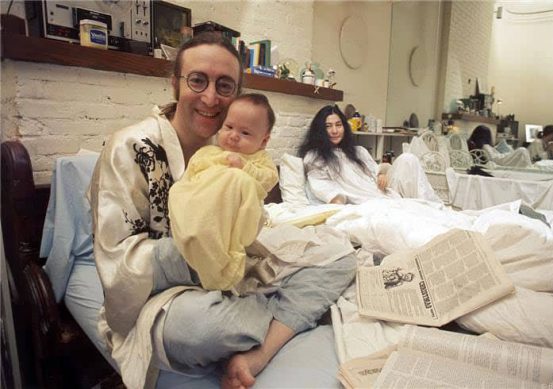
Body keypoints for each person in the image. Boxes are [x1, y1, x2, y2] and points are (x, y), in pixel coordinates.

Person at [89, 32, 356, 389]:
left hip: (235, 271)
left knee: (340, 255)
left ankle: (259, 351)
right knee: (201, 329)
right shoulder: (131, 148)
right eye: (197, 80)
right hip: (167, 297)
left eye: (225, 86)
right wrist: (201, 246)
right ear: (175, 84)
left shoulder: (235, 147)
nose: (211, 97)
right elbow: (117, 265)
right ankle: (291, 313)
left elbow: (250, 223)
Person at [168, 93, 277, 293]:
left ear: (263, 140)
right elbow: (190, 179)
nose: (234, 135)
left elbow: (268, 179)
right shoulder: (208, 152)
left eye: (245, 133)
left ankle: (222, 264)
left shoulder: (260, 159)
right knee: (178, 191)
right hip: (204, 208)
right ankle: (198, 244)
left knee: (237, 180)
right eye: (229, 127)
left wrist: (244, 167)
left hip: (234, 213)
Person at [298, 105, 441, 205]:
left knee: (408, 159)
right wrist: (339, 205)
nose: (335, 130)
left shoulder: (358, 151)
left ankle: (430, 207)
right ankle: (422, 209)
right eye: (328, 126)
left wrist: (381, 174)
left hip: (384, 194)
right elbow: (323, 187)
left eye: (338, 125)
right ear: (320, 130)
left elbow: (376, 170)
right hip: (366, 203)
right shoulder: (315, 157)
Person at [467, 125, 532, 167]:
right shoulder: (485, 146)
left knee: (522, 151)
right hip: (501, 160)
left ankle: (529, 167)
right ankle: (530, 167)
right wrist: (506, 154)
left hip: (501, 158)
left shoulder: (482, 146)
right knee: (522, 150)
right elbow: (494, 158)